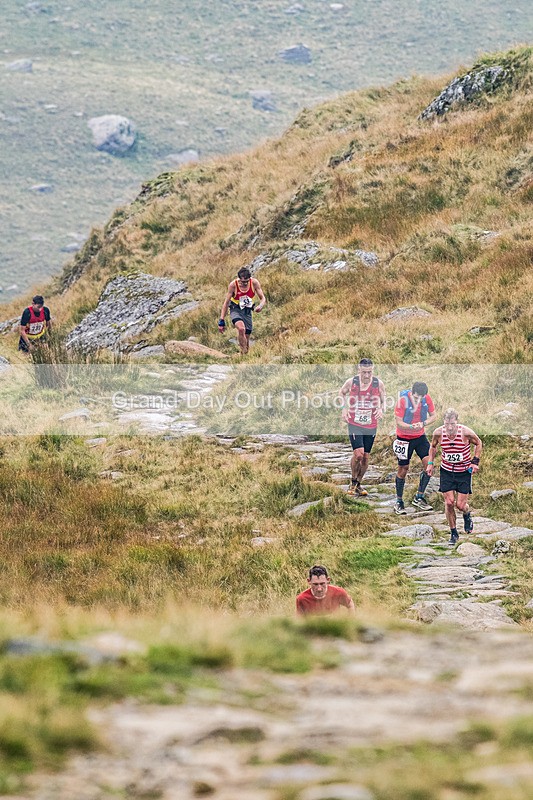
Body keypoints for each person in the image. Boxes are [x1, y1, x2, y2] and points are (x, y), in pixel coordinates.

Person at [427, 408, 482, 545]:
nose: (450, 427)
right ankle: (453, 533)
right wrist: (430, 463)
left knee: (460, 505)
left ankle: (466, 514)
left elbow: (478, 443)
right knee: (449, 502)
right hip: (446, 471)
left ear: (457, 422)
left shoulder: (466, 432)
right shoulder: (438, 433)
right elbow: (433, 447)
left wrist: (475, 462)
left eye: (452, 424)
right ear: (443, 422)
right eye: (447, 424)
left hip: (463, 472)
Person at [340, 358, 385, 497]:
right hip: (355, 423)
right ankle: (353, 481)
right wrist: (344, 409)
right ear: (359, 370)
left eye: (369, 372)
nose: (367, 375)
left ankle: (359, 484)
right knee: (358, 454)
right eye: (364, 372)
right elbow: (341, 393)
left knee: (365, 457)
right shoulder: (351, 382)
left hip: (371, 425)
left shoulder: (378, 383)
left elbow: (384, 400)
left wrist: (381, 409)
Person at [393, 380, 437, 515]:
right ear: (412, 393)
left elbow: (434, 416)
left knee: (429, 465)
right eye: (416, 398)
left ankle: (419, 497)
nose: (419, 400)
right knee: (403, 469)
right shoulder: (402, 401)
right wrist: (412, 426)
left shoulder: (426, 398)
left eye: (421, 398)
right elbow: (399, 422)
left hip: (419, 437)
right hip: (404, 438)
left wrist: (423, 423)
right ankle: (399, 501)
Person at [219, 267, 266, 355]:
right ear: (239, 279)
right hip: (235, 309)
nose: (244, 284)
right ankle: (243, 351)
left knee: (247, 336)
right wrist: (221, 320)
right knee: (241, 329)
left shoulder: (254, 283)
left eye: (246, 281)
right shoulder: (233, 285)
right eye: (242, 281)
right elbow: (226, 303)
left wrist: (260, 306)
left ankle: (244, 354)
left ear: (250, 279)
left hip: (247, 311)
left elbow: (263, 298)